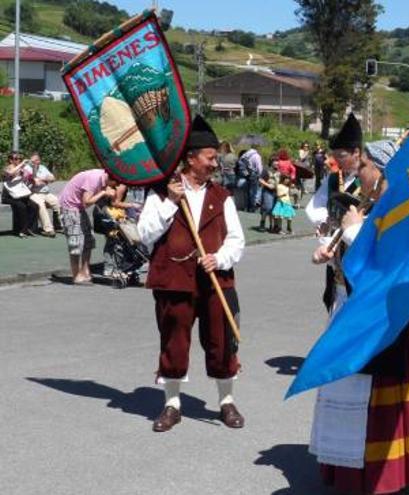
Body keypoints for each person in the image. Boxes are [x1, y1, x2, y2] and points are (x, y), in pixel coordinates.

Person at [308, 139, 409, 494]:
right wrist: (331, 251)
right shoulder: (371, 206)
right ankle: (352, 472)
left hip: (385, 320)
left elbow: (389, 268)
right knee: (350, 397)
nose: (358, 172)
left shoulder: (403, 210)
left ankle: (381, 476)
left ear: (383, 172)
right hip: (354, 312)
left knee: (376, 402)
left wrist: (353, 231)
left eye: (365, 167)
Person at [137, 115, 246, 433]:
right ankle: (172, 405)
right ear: (191, 158)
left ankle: (226, 402)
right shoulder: (161, 193)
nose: (216, 163)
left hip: (216, 280)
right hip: (174, 280)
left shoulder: (222, 196)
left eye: (216, 157)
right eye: (210, 157)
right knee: (173, 340)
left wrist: (220, 258)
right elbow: (145, 233)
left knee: (222, 341)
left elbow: (237, 240)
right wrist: (171, 202)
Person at [306, 113, 364, 312]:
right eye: (335, 155)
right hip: (334, 246)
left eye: (341, 155)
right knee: (336, 300)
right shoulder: (333, 179)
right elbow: (315, 205)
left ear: (356, 152)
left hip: (357, 247)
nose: (336, 160)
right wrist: (326, 220)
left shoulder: (370, 182)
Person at [58, 168, 116, 284]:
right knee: (76, 242)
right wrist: (103, 192)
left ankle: (85, 271)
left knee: (88, 240)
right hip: (70, 206)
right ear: (111, 178)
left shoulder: (103, 178)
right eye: (116, 184)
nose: (116, 186)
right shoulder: (94, 179)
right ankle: (76, 275)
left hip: (78, 207)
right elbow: (87, 202)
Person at [23, 154, 61, 237]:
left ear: (39, 161)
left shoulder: (43, 168)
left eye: (36, 161)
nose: (33, 163)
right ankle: (48, 229)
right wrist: (43, 180)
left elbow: (52, 178)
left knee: (57, 202)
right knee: (41, 205)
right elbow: (34, 182)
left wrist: (42, 179)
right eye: (32, 162)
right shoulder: (27, 169)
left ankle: (58, 226)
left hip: (46, 193)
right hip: (33, 193)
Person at [2, 151, 38, 238]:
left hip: (20, 195)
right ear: (10, 160)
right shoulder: (6, 169)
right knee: (22, 207)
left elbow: (33, 176)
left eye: (19, 159)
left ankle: (28, 228)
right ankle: (22, 230)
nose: (18, 160)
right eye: (16, 159)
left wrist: (33, 167)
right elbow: (10, 173)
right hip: (9, 196)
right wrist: (22, 164)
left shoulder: (21, 169)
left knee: (34, 206)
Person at [258, 160, 278, 232]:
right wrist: (267, 185)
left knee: (274, 209)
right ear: (272, 163)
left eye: (277, 162)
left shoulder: (279, 171)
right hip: (268, 191)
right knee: (267, 207)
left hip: (277, 192)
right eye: (275, 162)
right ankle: (262, 222)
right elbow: (260, 179)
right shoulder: (266, 170)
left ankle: (272, 226)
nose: (276, 163)